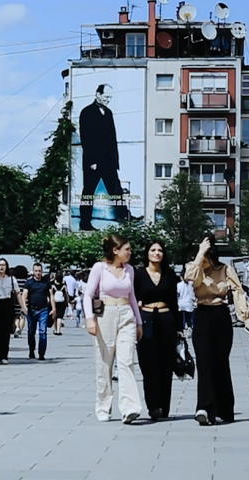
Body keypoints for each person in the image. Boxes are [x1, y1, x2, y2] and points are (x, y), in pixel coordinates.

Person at [185, 235, 249, 426]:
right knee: (204, 362)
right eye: (202, 258)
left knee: (220, 363)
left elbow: (238, 292)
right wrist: (200, 253)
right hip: (201, 315)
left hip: (221, 316)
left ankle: (224, 409)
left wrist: (247, 320)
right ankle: (204, 408)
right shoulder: (195, 268)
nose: (205, 262)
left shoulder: (225, 270)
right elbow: (189, 278)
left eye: (207, 258)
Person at [83, 234, 143, 424]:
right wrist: (89, 318)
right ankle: (103, 406)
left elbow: (132, 296)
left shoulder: (129, 270)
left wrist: (139, 321)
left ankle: (129, 407)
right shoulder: (99, 268)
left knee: (126, 362)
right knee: (105, 362)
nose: (130, 253)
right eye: (127, 249)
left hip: (126, 314)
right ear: (115, 250)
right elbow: (87, 295)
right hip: (105, 314)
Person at [134, 240, 180, 421]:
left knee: (166, 365)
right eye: (153, 250)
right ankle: (153, 406)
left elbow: (175, 303)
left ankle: (164, 405)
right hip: (145, 320)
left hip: (166, 318)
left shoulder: (169, 274)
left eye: (160, 250)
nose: (157, 253)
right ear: (147, 253)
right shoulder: (138, 275)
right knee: (148, 365)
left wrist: (178, 328)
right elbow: (133, 299)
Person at [79, 84, 127, 230]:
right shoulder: (86, 112)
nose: (108, 100)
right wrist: (92, 160)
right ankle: (85, 223)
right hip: (94, 163)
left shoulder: (109, 113)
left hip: (109, 162)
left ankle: (124, 216)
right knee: (88, 192)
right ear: (98, 94)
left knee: (116, 190)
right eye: (106, 97)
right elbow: (85, 138)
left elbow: (112, 139)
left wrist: (115, 161)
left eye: (110, 98)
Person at [22, 263, 55, 361]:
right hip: (31, 310)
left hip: (43, 309)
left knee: (42, 332)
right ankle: (31, 350)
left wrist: (54, 308)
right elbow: (24, 295)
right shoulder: (29, 282)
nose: (38, 273)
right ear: (33, 271)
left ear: (42, 271)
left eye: (39, 271)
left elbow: (51, 295)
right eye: (36, 271)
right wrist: (24, 307)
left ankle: (41, 354)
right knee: (31, 332)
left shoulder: (46, 282)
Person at [12, 265, 29, 339]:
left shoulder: (15, 281)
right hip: (25, 301)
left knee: (16, 316)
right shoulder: (26, 282)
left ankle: (17, 327)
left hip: (16, 300)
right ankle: (20, 329)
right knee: (22, 316)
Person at [51, 271, 68, 336]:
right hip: (62, 302)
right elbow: (66, 294)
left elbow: (50, 294)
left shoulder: (52, 285)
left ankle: (55, 329)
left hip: (54, 302)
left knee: (54, 316)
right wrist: (67, 301)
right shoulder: (64, 285)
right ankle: (58, 330)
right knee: (60, 317)